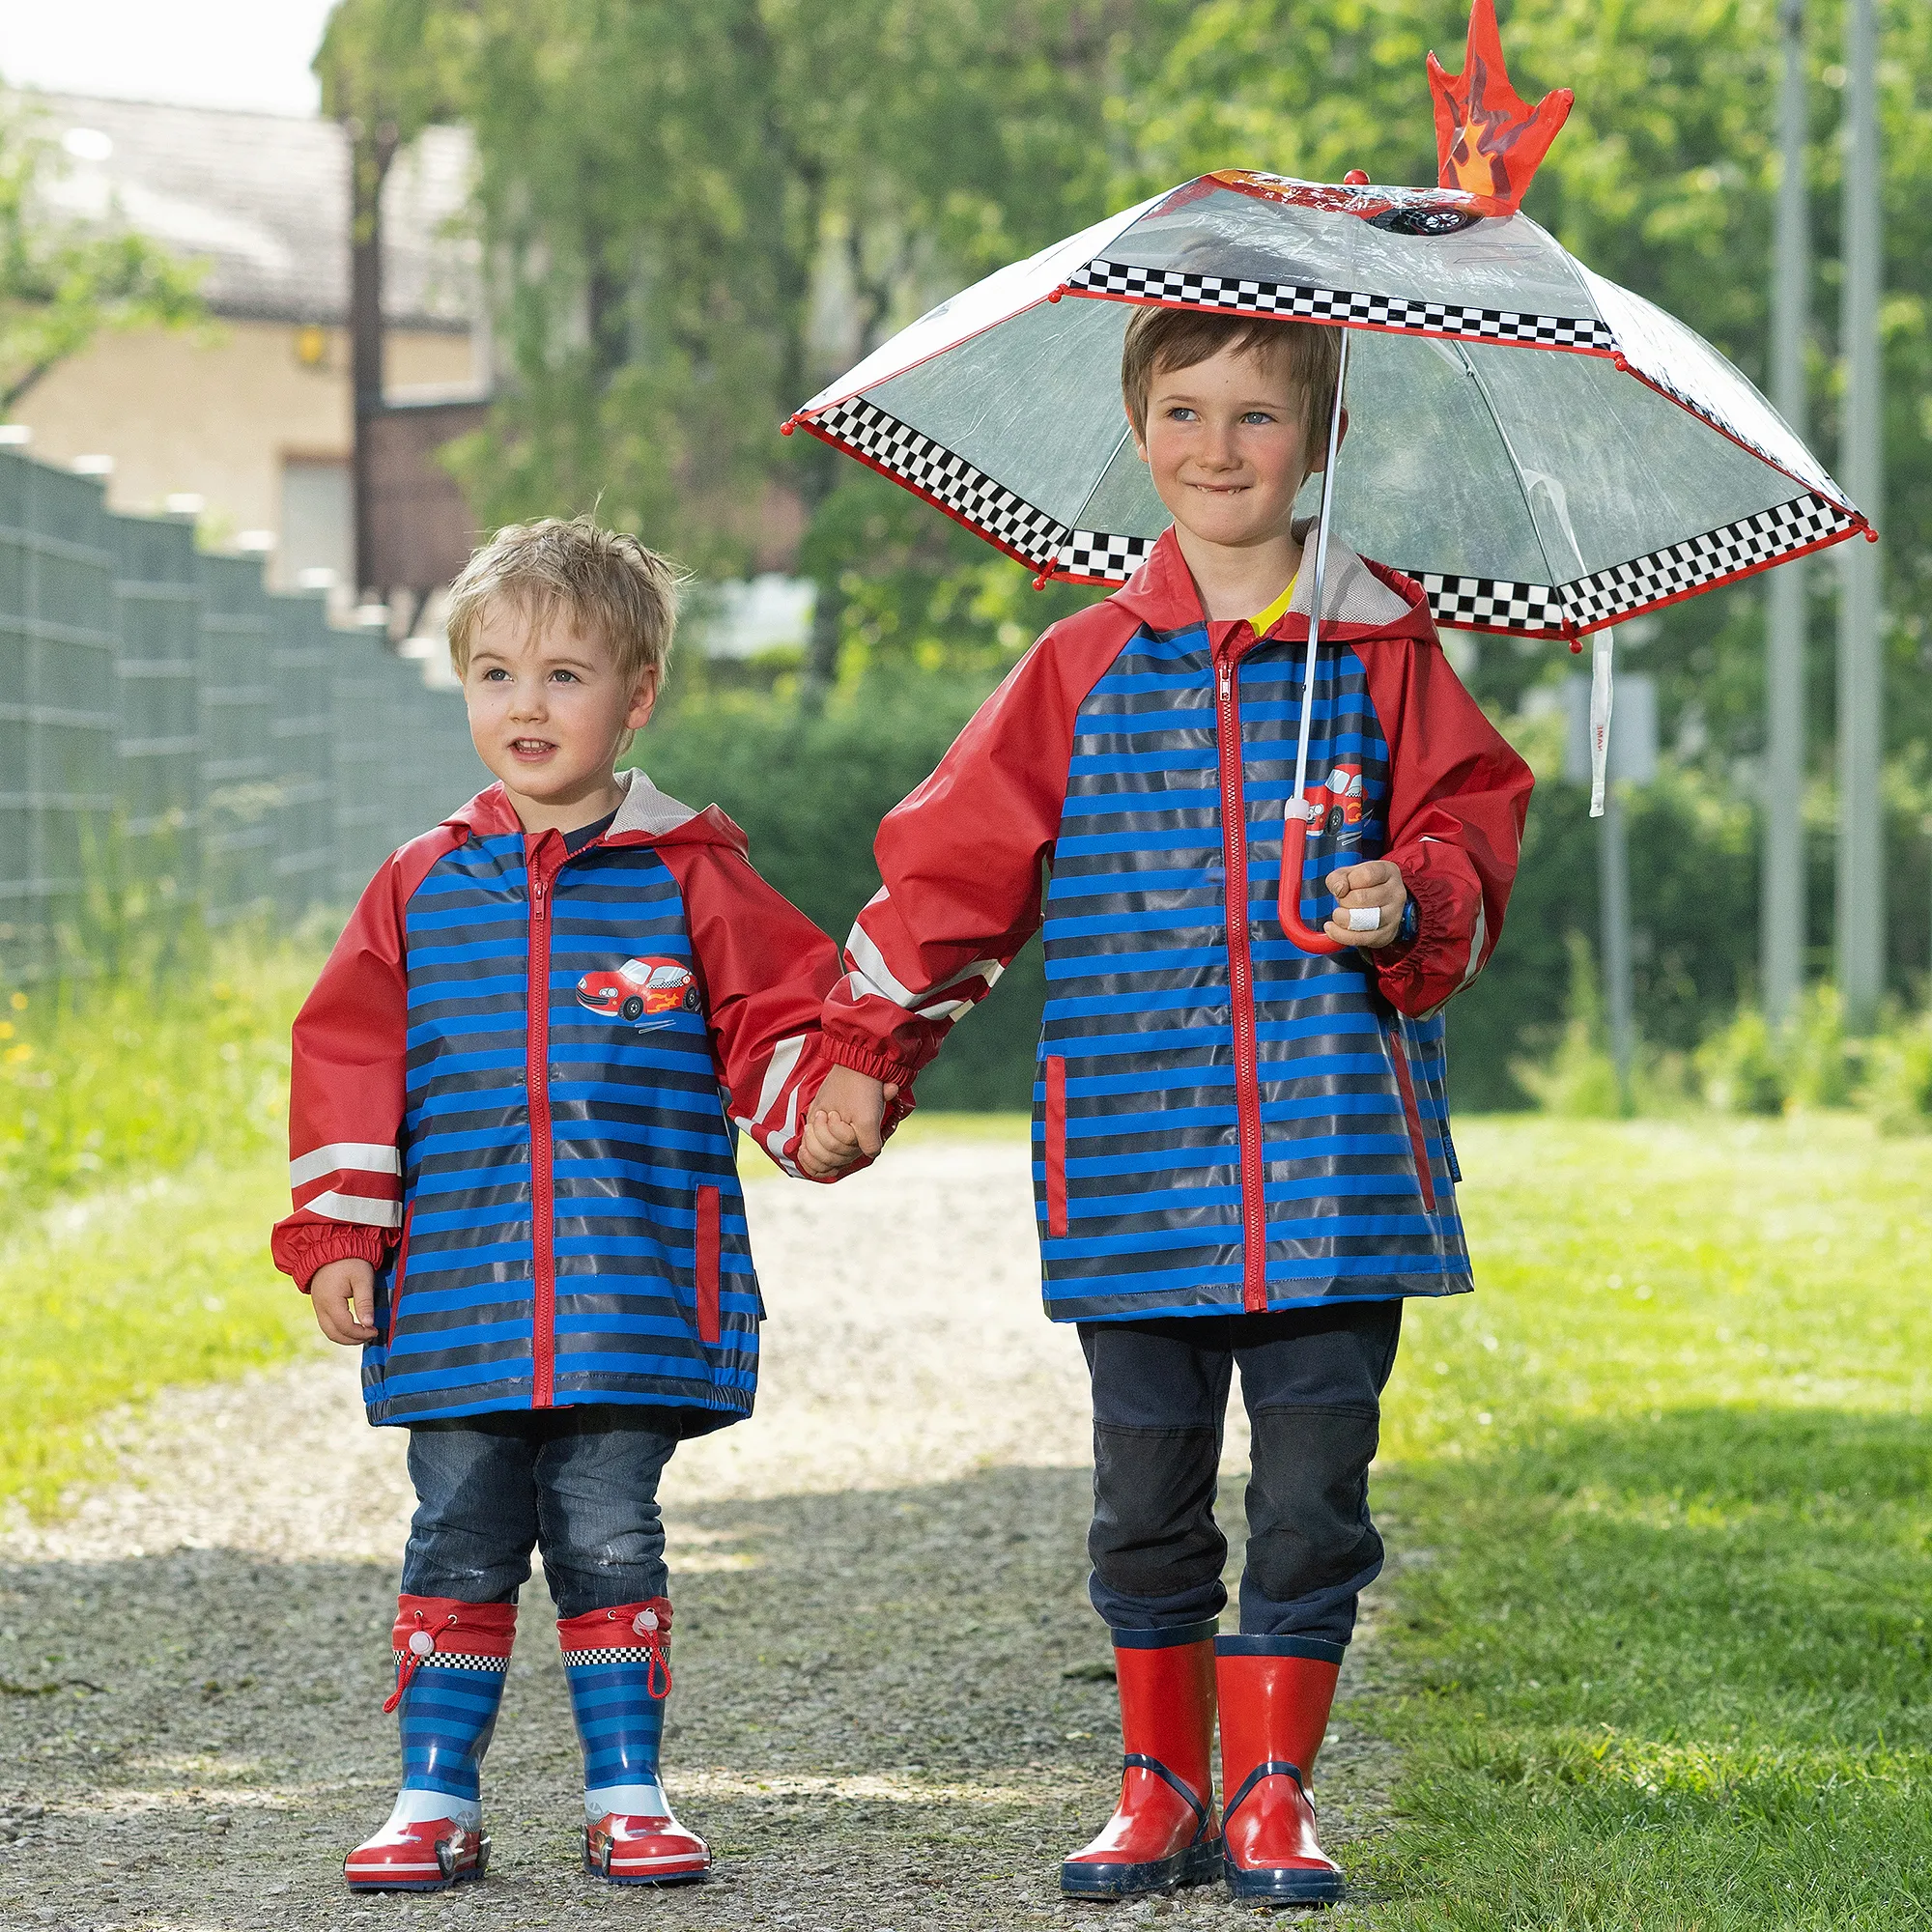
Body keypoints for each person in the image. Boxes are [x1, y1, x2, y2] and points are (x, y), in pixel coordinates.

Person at [804, 306, 1532, 1903]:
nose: (1220, 448)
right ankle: (1156, 1786)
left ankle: (1273, 1793)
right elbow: (953, 875)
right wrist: (864, 1048)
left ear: (1321, 440)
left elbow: (1475, 829)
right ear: (1140, 433)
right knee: (1144, 1496)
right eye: (1186, 413)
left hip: (1339, 1167)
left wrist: (1405, 892)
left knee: (1317, 1493)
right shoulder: (1077, 666)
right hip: (1137, 1160)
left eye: (1260, 416)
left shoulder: (1386, 655)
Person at [271, 518, 875, 1894]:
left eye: (562, 676)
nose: (524, 706)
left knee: (608, 1531)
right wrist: (340, 1239)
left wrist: (826, 1100)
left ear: (637, 693)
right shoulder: (422, 885)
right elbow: (348, 1059)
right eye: (494, 675)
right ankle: (434, 1794)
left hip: (629, 1286)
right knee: (458, 1530)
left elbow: (787, 1013)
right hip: (461, 1294)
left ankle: (628, 1788)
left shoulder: (689, 874)